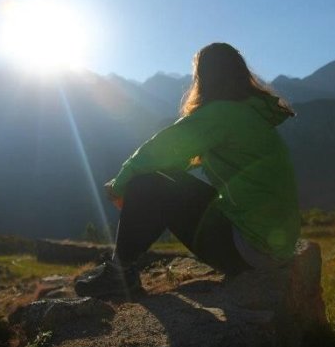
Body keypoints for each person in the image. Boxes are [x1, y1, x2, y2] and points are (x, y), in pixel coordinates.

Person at [74, 42, 301, 298]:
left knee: (146, 183)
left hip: (250, 249)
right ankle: (121, 269)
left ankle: (119, 275)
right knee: (159, 180)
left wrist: (120, 184)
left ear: (204, 78)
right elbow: (177, 158)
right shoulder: (250, 113)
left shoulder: (221, 114)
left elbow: (159, 149)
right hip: (273, 244)